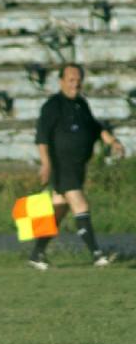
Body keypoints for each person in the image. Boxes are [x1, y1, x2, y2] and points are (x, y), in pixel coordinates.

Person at [29, 62, 125, 270]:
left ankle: (36, 254)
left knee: (58, 212)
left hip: (77, 166)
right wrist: (45, 164)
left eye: (78, 81)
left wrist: (113, 142)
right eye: (71, 80)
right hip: (61, 166)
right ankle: (97, 255)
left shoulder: (82, 104)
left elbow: (95, 127)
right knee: (81, 206)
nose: (75, 85)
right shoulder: (52, 105)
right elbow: (42, 137)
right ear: (61, 81)